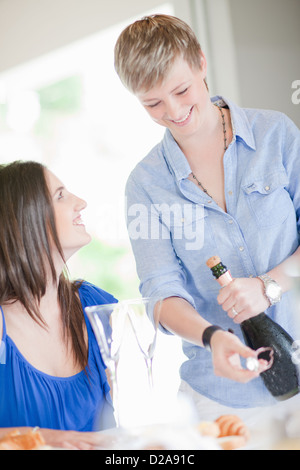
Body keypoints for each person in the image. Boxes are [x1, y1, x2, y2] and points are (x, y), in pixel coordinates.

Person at [114, 14, 300, 424]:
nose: (174, 111)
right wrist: (212, 336)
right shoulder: (144, 186)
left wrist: (269, 285)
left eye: (180, 90)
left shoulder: (277, 135)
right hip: (220, 400)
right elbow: (161, 295)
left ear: (200, 63)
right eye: (153, 103)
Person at [0, 160, 117, 449]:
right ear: (25, 219)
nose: (81, 202)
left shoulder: (97, 307)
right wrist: (45, 438)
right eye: (61, 195)